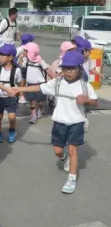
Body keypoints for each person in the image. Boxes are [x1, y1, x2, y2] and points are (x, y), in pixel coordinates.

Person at [14, 51, 98, 194]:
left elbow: (94, 101)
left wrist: (87, 100)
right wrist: (19, 89)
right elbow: (39, 87)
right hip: (59, 122)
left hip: (77, 122)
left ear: (79, 69)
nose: (69, 71)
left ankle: (71, 178)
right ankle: (64, 158)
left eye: (72, 68)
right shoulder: (57, 83)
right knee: (58, 150)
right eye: (66, 68)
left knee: (73, 150)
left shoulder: (85, 86)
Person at [0, 44, 22, 144]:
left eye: (2, 55)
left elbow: (20, 82)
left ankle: (12, 130)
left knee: (12, 117)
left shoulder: (17, 70)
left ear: (10, 57)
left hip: (11, 97)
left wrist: (19, 93)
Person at [18, 42, 53, 124]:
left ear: (31, 52)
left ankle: (40, 109)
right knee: (32, 101)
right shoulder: (27, 61)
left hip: (40, 85)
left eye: (26, 51)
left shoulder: (40, 61)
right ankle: (33, 116)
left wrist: (54, 77)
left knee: (40, 102)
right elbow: (22, 66)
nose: (24, 53)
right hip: (30, 85)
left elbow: (47, 70)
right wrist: (20, 59)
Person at [16, 33, 35, 104]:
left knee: (25, 80)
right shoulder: (22, 48)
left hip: (28, 66)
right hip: (22, 66)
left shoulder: (29, 47)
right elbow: (14, 54)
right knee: (22, 80)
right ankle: (21, 95)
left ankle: (21, 93)